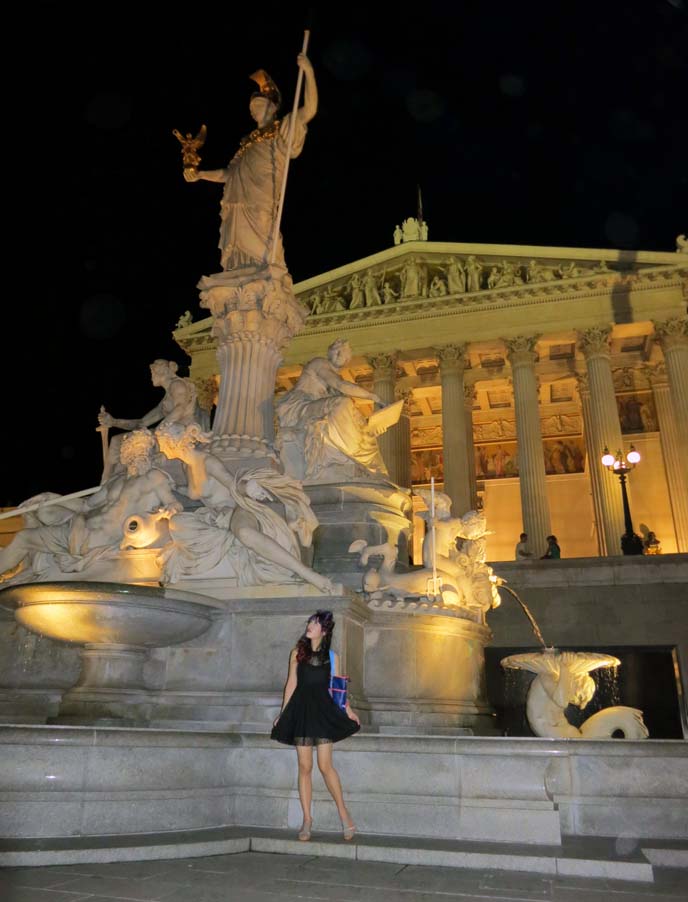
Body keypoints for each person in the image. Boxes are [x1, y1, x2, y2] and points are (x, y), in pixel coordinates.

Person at [154, 422, 334, 592]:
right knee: (177, 521)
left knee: (244, 533)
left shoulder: (208, 461)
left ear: (174, 443)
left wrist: (248, 487)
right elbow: (197, 492)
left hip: (237, 507)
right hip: (214, 514)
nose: (161, 448)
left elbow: (231, 482)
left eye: (162, 443)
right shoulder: (186, 466)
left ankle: (306, 573)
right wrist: (177, 489)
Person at [182, 53, 317, 272]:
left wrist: (309, 72)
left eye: (258, 104)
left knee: (263, 243)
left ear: (273, 107)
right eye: (251, 107)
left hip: (260, 198)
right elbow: (228, 174)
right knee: (237, 252)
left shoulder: (281, 129)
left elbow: (309, 109)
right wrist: (200, 174)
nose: (252, 109)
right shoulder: (247, 144)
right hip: (237, 201)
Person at [0, 430, 182, 585]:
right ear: (127, 453)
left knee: (28, 536)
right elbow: (86, 505)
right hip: (78, 529)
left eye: (147, 448)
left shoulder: (154, 477)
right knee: (24, 537)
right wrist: (52, 497)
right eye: (137, 448)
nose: (142, 453)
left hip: (99, 539)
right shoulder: (115, 481)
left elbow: (174, 504)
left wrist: (169, 509)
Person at [271, 610, 360, 842]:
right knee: (304, 766)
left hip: (322, 711)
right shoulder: (296, 653)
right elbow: (291, 683)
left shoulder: (333, 657)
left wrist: (348, 710)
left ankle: (344, 815)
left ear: (324, 630)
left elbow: (337, 689)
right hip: (301, 710)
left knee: (325, 765)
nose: (310, 625)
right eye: (310, 621)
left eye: (315, 623)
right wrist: (282, 714)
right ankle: (307, 820)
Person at [276, 338, 389, 480]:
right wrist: (374, 397)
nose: (338, 355)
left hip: (316, 408)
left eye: (343, 353)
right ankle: (351, 456)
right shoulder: (319, 363)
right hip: (300, 408)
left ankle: (371, 469)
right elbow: (340, 385)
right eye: (338, 351)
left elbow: (344, 416)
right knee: (343, 404)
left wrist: (370, 428)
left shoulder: (334, 379)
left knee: (357, 419)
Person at [98, 359, 200, 482]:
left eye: (153, 372)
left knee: (129, 442)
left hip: (177, 432)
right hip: (167, 430)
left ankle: (110, 481)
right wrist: (114, 422)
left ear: (163, 371)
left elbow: (180, 408)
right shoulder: (166, 399)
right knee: (116, 440)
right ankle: (108, 481)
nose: (151, 376)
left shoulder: (177, 384)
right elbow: (142, 423)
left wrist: (160, 429)